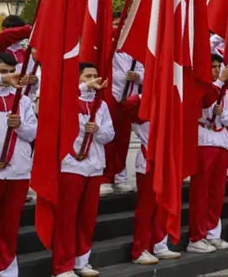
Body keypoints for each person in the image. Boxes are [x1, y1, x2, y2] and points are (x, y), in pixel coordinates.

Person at [0, 51, 38, 277]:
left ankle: (6, 271)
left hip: (17, 173)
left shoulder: (22, 99)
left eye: (12, 72)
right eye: (4, 72)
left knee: (9, 228)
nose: (10, 76)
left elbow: (33, 133)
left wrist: (20, 125)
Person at [53, 62, 114, 277]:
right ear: (77, 79)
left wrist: (97, 130)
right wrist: (82, 88)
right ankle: (62, 266)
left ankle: (81, 261)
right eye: (87, 76)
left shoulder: (102, 105)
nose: (93, 80)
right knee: (67, 217)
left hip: (95, 166)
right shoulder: (68, 99)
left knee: (87, 218)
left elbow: (110, 134)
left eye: (95, 76)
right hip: (71, 165)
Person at [125, 73, 178, 266]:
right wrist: (147, 94)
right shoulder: (142, 107)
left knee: (162, 205)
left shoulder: (166, 105)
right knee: (146, 208)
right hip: (148, 159)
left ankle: (159, 244)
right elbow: (129, 105)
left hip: (165, 161)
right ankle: (140, 249)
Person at [187, 56, 228, 254]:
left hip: (221, 142)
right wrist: (219, 82)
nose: (216, 70)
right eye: (212, 67)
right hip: (203, 141)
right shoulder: (201, 87)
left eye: (218, 67)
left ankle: (212, 233)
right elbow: (201, 104)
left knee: (217, 193)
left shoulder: (225, 92)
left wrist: (222, 113)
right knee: (201, 192)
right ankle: (196, 236)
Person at [105, 43, 140, 196]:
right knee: (107, 138)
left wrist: (138, 77)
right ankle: (105, 178)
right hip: (109, 97)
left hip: (128, 98)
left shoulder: (134, 50)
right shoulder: (107, 47)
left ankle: (119, 176)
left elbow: (144, 71)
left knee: (123, 139)